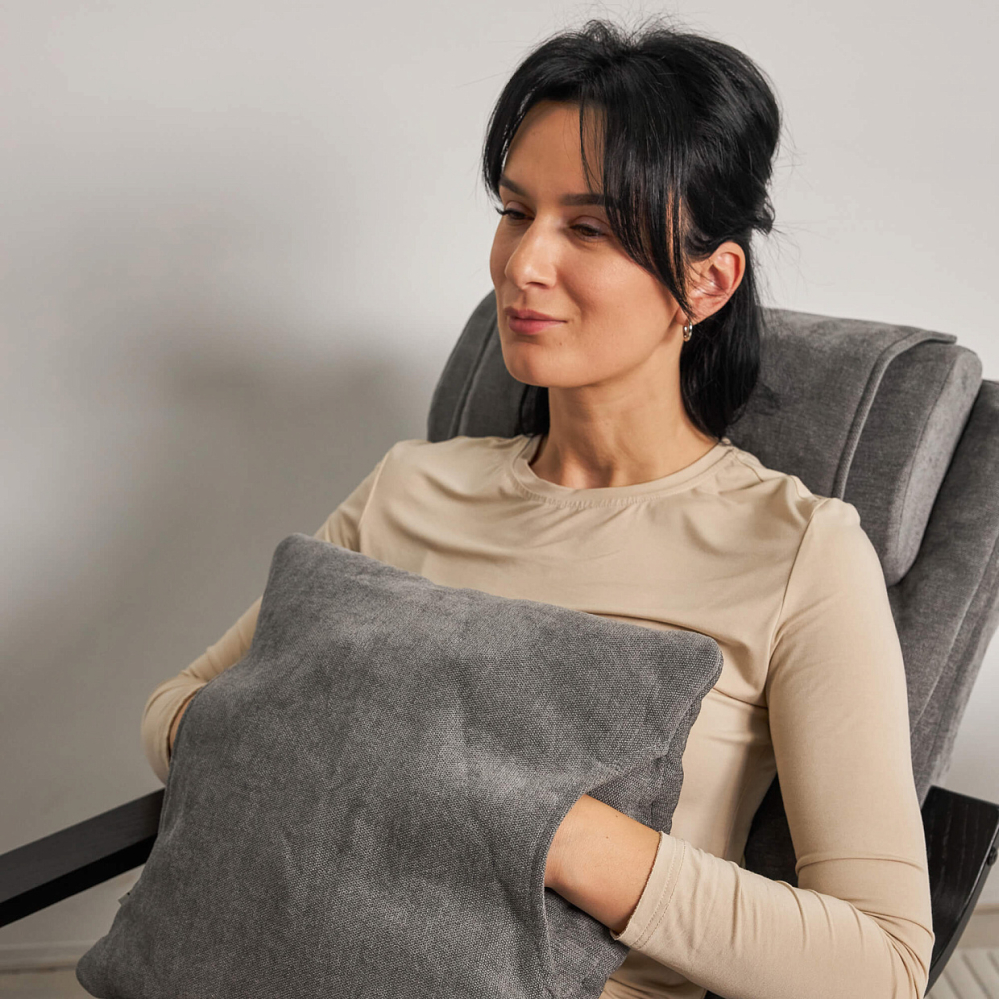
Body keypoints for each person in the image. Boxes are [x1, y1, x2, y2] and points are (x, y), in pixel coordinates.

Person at [141, 17, 933, 999]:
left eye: (588, 229)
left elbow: (881, 964)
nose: (523, 264)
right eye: (516, 212)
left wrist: (552, 829)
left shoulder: (797, 552)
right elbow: (178, 710)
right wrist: (375, 754)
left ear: (707, 280)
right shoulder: (411, 489)